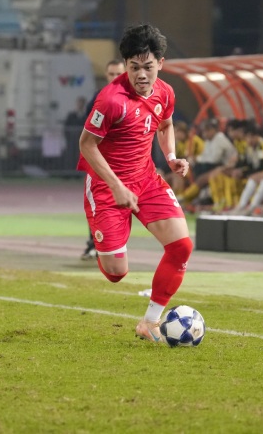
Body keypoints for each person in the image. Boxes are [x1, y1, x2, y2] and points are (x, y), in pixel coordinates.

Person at [77, 24, 192, 345]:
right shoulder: (111, 100)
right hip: (106, 185)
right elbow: (87, 144)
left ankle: (151, 321)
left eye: (148, 67)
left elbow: (166, 124)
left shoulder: (165, 92)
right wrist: (115, 187)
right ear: (125, 65)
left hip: (146, 178)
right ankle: (100, 225)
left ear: (161, 63)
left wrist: (171, 157)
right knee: (116, 273)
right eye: (134, 67)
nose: (141, 74)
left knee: (181, 246)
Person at [80, 59, 126, 259]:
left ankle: (116, 245)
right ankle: (94, 244)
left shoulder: (134, 97)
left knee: (125, 206)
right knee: (98, 205)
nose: (115, 78)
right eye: (111, 74)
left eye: (118, 74)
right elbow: (88, 133)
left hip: (127, 163)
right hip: (102, 162)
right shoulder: (99, 99)